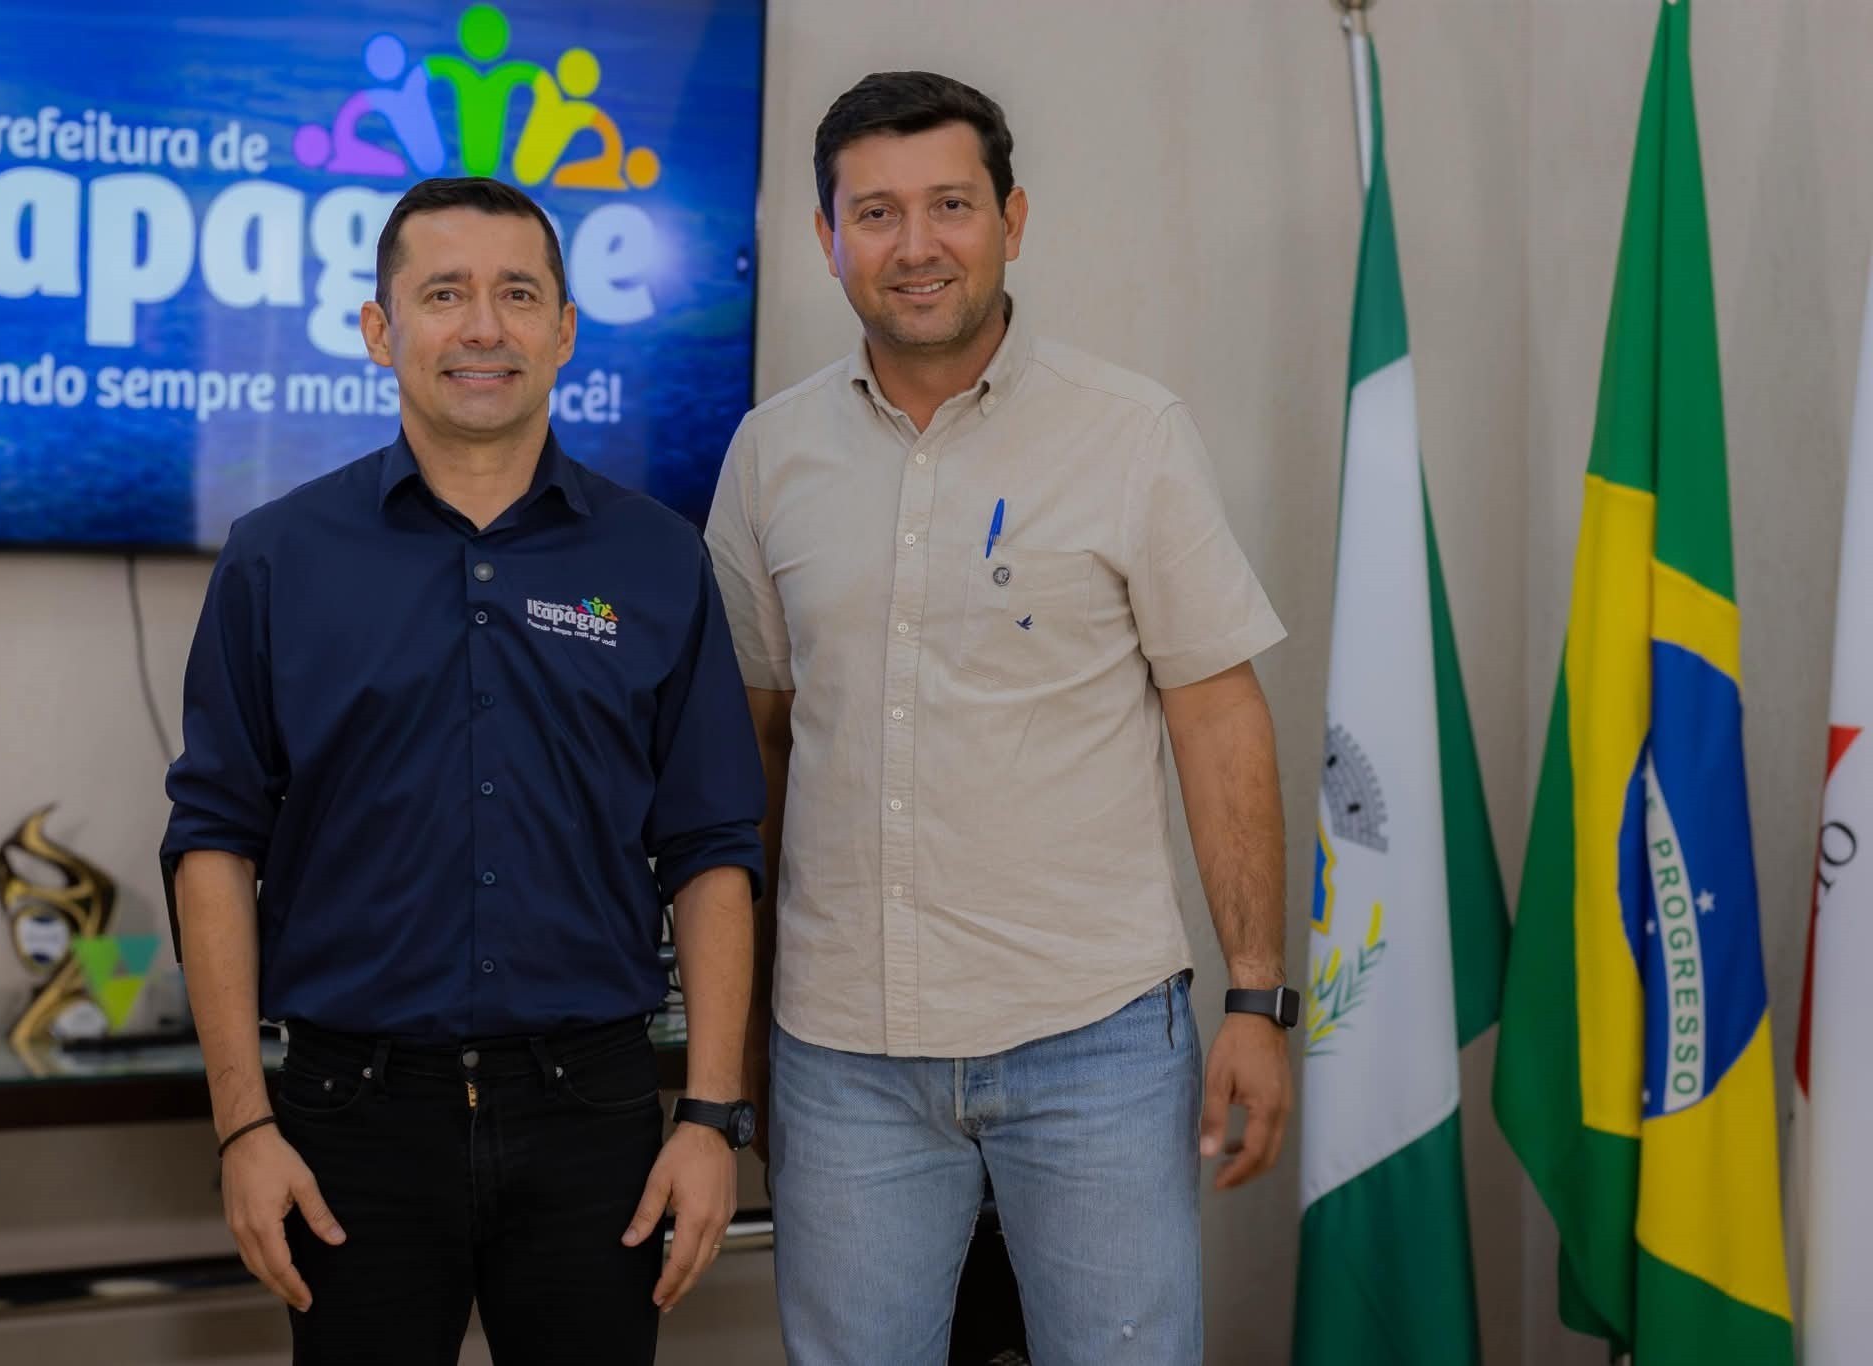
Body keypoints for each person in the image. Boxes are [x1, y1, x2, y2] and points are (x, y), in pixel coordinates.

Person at [704, 72, 1297, 1366]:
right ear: (825, 238)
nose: (914, 244)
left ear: (1011, 221)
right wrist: (736, 1026)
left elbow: (1218, 717)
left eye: (950, 205)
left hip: (1093, 1039)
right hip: (841, 1053)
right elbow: (754, 750)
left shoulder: (1130, 433)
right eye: (875, 213)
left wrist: (1258, 995)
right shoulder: (766, 457)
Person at [163, 175, 763, 1366]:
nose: (483, 326)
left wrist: (707, 1117)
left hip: (592, 1114)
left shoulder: (657, 559)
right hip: (350, 1119)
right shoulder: (276, 559)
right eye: (444, 293)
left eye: (517, 294)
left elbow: (711, 849)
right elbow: (214, 841)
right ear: (378, 328)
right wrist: (242, 1126)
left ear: (564, 330)